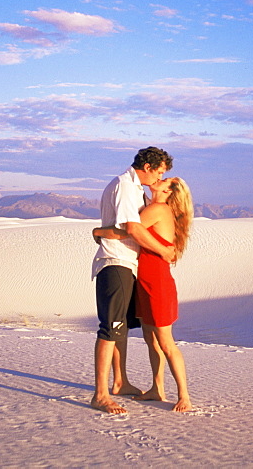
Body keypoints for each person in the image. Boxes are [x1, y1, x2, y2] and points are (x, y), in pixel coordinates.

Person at [93, 176, 193, 412]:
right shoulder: (151, 206)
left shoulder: (158, 209)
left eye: (165, 180)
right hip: (145, 282)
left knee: (166, 342)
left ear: (169, 191)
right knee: (151, 340)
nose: (159, 178)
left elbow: (128, 231)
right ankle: (157, 388)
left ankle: (185, 396)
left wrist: (98, 231)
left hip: (157, 283)